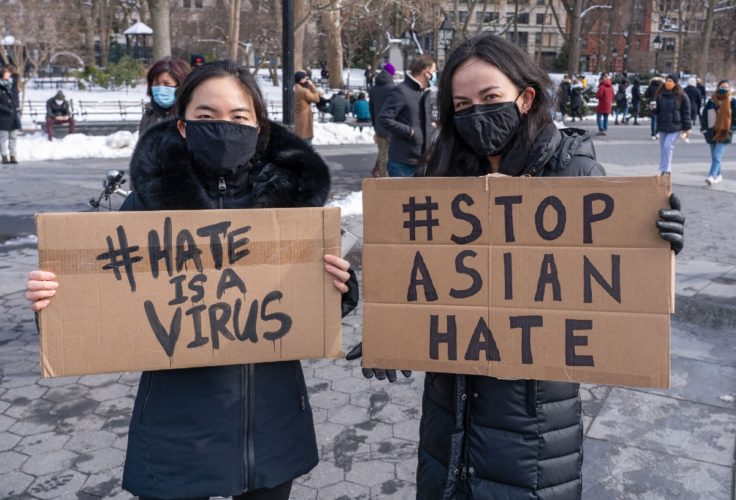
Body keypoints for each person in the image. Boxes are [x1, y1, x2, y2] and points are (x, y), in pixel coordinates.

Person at [348, 32, 685, 500]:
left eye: (490, 98)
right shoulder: (440, 178)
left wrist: (655, 240)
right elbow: (421, 276)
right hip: (450, 414)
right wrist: (395, 327)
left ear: (525, 98)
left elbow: (612, 280)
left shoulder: (574, 174)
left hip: (534, 427)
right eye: (462, 105)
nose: (476, 113)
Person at [25, 60, 359, 500]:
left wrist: (340, 287)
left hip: (270, 424)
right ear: (182, 126)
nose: (224, 127)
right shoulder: (149, 205)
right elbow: (104, 302)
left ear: (259, 125)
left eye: (239, 117)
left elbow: (311, 306)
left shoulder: (292, 209)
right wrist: (57, 302)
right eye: (206, 117)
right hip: (176, 428)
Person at [378, 54, 436, 176]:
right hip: (403, 162)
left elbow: (419, 118)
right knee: (402, 196)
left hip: (423, 160)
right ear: (426, 72)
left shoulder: (424, 92)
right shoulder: (401, 91)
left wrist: (432, 124)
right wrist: (409, 132)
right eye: (433, 71)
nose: (435, 75)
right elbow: (384, 118)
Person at [139, 57, 191, 136]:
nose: (160, 89)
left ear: (182, 85)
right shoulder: (149, 115)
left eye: (167, 84)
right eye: (156, 84)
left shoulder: (191, 117)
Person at [653, 74, 691, 176]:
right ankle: (663, 168)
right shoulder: (660, 94)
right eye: (667, 81)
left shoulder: (681, 95)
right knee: (663, 147)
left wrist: (687, 127)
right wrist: (653, 108)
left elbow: (686, 112)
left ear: (675, 83)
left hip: (675, 125)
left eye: (670, 81)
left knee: (667, 146)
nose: (668, 83)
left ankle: (667, 169)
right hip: (663, 125)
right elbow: (657, 111)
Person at [701, 79, 736, 185]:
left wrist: (732, 129)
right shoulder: (712, 100)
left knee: (716, 155)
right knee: (715, 157)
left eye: (726, 87)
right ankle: (719, 176)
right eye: (722, 87)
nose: (724, 89)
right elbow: (704, 115)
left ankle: (711, 176)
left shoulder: (732, 101)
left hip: (725, 132)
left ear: (729, 88)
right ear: (718, 87)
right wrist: (704, 128)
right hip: (712, 132)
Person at [368, 63, 395, 177]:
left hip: (379, 125)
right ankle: (384, 177)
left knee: (383, 151)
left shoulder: (373, 89)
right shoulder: (393, 89)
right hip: (391, 125)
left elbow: (371, 108)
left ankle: (377, 170)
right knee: (387, 153)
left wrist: (375, 125)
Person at [294, 70, 322, 143]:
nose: (307, 80)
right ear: (301, 80)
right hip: (304, 120)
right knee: (306, 142)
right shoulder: (304, 91)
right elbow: (317, 99)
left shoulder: (295, 88)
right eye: (306, 79)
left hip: (297, 119)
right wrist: (312, 85)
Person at [0, 66, 20, 164]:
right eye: (6, 72)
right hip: (3, 115)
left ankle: (13, 156)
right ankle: (4, 156)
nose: (8, 74)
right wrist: (6, 109)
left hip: (13, 115)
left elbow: (17, 76)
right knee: (3, 137)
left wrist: (17, 108)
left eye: (9, 72)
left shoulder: (13, 85)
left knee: (13, 137)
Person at [645, 75, 664, 140]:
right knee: (659, 119)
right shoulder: (662, 87)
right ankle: (657, 133)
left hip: (652, 103)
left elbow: (646, 95)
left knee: (653, 119)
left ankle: (653, 134)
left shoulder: (650, 87)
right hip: (660, 103)